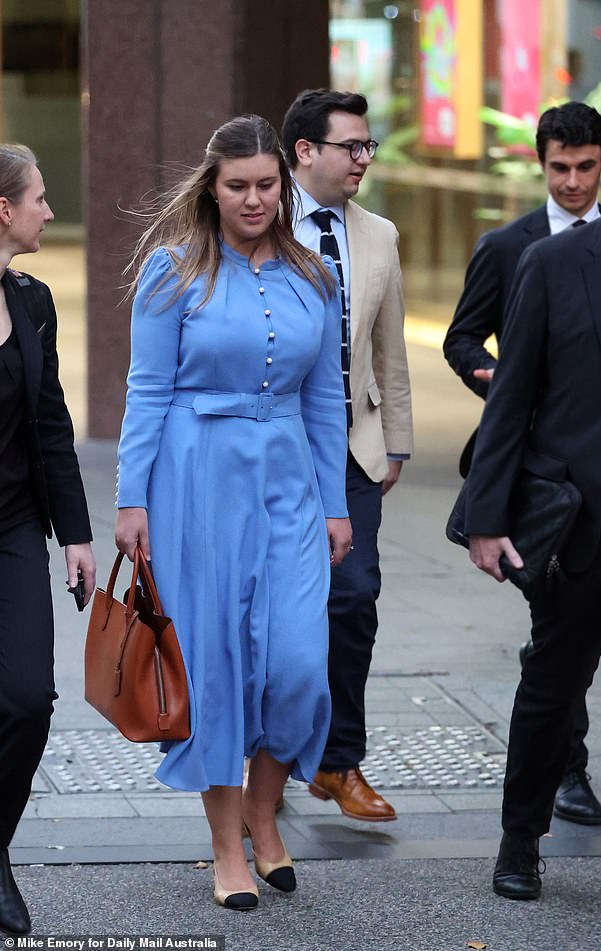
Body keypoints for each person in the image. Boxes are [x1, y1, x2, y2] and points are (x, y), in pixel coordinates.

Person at [115, 115, 351, 912]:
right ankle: (228, 846)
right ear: (212, 188)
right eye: (237, 186)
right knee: (213, 664)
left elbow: (327, 399)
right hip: (196, 477)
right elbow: (145, 390)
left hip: (289, 480)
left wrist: (337, 504)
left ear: (284, 184)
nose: (254, 199)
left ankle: (263, 807)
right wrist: (131, 499)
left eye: (266, 185)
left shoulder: (314, 272)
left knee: (298, 667)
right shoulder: (171, 269)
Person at [463, 98, 601, 901]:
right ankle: (520, 837)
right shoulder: (555, 262)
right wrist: (488, 518)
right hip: (591, 516)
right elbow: (512, 396)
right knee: (555, 680)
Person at [281, 89, 413, 821]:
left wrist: (396, 439)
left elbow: (390, 349)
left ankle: (338, 761)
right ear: (306, 151)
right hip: (273, 447)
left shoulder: (380, 236)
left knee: (354, 595)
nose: (364, 158)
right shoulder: (259, 223)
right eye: (351, 146)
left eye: (368, 147)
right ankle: (260, 755)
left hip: (352, 448)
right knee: (272, 606)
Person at [0, 144, 95, 935]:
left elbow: (52, 422)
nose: (49, 210)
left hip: (13, 528)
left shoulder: (32, 300)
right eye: (39, 197)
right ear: (5, 209)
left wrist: (76, 534)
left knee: (28, 699)